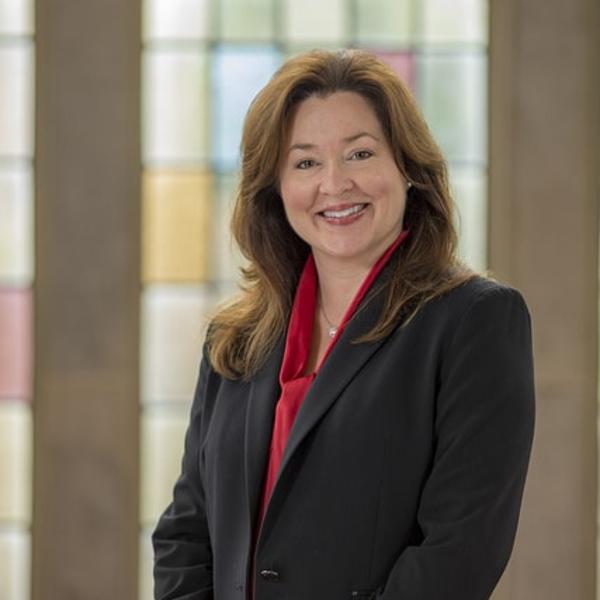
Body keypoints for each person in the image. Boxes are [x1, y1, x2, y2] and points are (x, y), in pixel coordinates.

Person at [152, 49, 535, 600]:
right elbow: (186, 533)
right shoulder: (235, 340)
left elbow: (458, 552)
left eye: (359, 154)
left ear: (408, 168)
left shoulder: (475, 323)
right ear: (276, 189)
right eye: (305, 162)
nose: (335, 184)